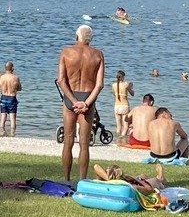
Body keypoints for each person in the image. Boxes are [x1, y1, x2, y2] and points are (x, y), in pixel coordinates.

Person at [55, 26, 106, 183]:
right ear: (90, 38)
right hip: (87, 99)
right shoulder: (98, 55)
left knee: (68, 141)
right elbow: (99, 85)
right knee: (84, 143)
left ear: (76, 36)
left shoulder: (66, 52)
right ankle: (82, 180)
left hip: (71, 98)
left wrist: (73, 100)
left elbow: (61, 80)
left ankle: (67, 179)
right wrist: (86, 103)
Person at [0, 62, 21, 137]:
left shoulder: (2, 77)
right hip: (12, 98)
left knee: (3, 117)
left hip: (3, 97)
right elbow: (20, 88)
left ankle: (1, 132)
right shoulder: (15, 77)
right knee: (12, 118)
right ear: (12, 68)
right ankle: (12, 133)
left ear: (5, 68)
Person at [111, 70, 133, 142]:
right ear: (123, 77)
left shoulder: (113, 85)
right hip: (124, 106)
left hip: (116, 106)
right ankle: (123, 139)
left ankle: (117, 140)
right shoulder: (126, 84)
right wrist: (131, 87)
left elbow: (114, 94)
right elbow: (132, 94)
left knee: (118, 126)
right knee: (125, 125)